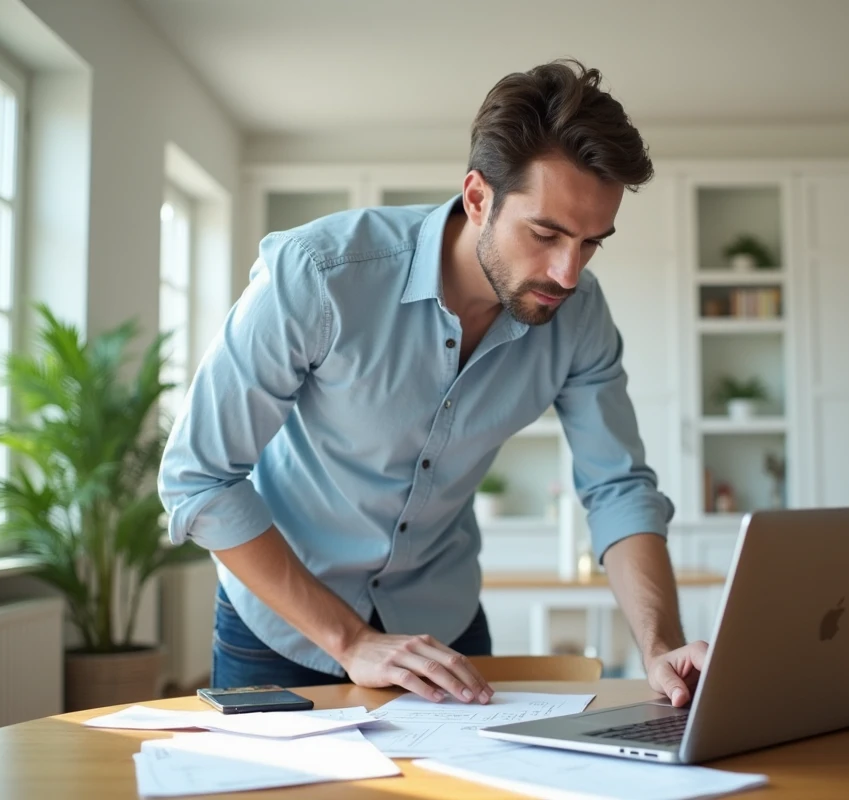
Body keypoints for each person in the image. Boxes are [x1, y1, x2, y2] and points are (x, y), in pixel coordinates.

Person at [158, 58, 708, 708]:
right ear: (478, 198)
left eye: (591, 244)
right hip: (283, 627)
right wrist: (351, 641)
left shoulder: (580, 314)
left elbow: (616, 486)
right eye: (546, 233)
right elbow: (199, 477)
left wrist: (660, 645)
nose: (567, 273)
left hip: (439, 626)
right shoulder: (320, 275)